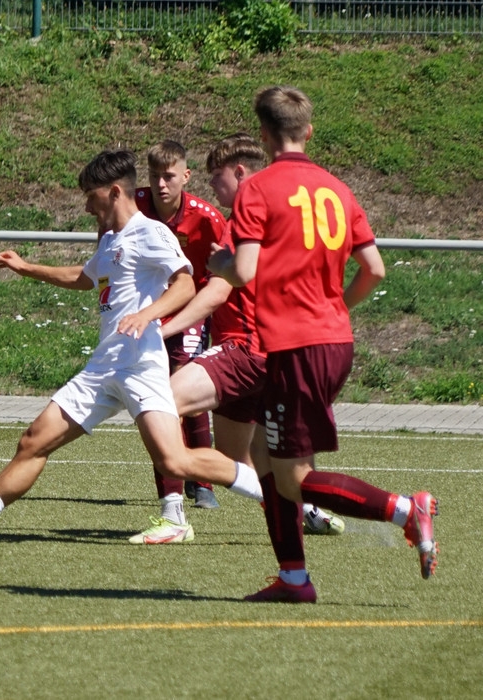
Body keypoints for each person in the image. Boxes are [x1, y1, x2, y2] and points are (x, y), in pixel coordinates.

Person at [0, 149, 261, 544]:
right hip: (103, 367)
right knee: (33, 441)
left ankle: (277, 496)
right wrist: (25, 267)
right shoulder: (111, 239)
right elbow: (83, 276)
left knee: (174, 460)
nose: (87, 207)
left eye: (91, 197)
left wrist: (147, 315)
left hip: (140, 365)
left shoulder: (152, 232)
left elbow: (184, 284)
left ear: (115, 192)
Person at [208, 86, 438, 602]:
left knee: (293, 478)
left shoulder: (258, 188)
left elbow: (243, 270)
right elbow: (374, 269)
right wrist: (336, 309)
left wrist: (217, 262)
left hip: (295, 347)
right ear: (308, 131)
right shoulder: (338, 188)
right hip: (330, 341)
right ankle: (293, 578)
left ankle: (406, 509)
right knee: (267, 458)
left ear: (264, 135)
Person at [127, 133, 342, 545]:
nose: (211, 185)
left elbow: (217, 292)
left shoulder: (243, 219)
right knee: (235, 458)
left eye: (216, 176)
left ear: (239, 173)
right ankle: (307, 512)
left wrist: (161, 327)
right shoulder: (283, 214)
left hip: (245, 347)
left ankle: (173, 515)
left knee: (160, 401)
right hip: (277, 349)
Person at [136, 140, 226, 510]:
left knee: (185, 384)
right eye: (155, 176)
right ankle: (171, 489)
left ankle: (202, 483)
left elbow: (225, 273)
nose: (161, 184)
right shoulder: (134, 205)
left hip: (190, 310)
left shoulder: (206, 218)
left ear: (185, 176)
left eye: (169, 176)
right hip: (147, 309)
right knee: (155, 392)